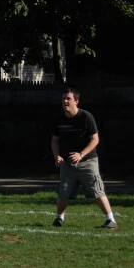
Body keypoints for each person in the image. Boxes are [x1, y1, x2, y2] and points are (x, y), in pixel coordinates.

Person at [51, 88, 117, 229]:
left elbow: (95, 139)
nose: (65, 101)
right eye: (63, 99)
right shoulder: (59, 118)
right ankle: (59, 218)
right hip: (68, 164)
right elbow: (55, 141)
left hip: (87, 161)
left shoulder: (86, 117)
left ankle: (110, 220)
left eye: (68, 98)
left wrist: (81, 154)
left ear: (76, 101)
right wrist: (57, 156)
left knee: (97, 190)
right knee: (64, 192)